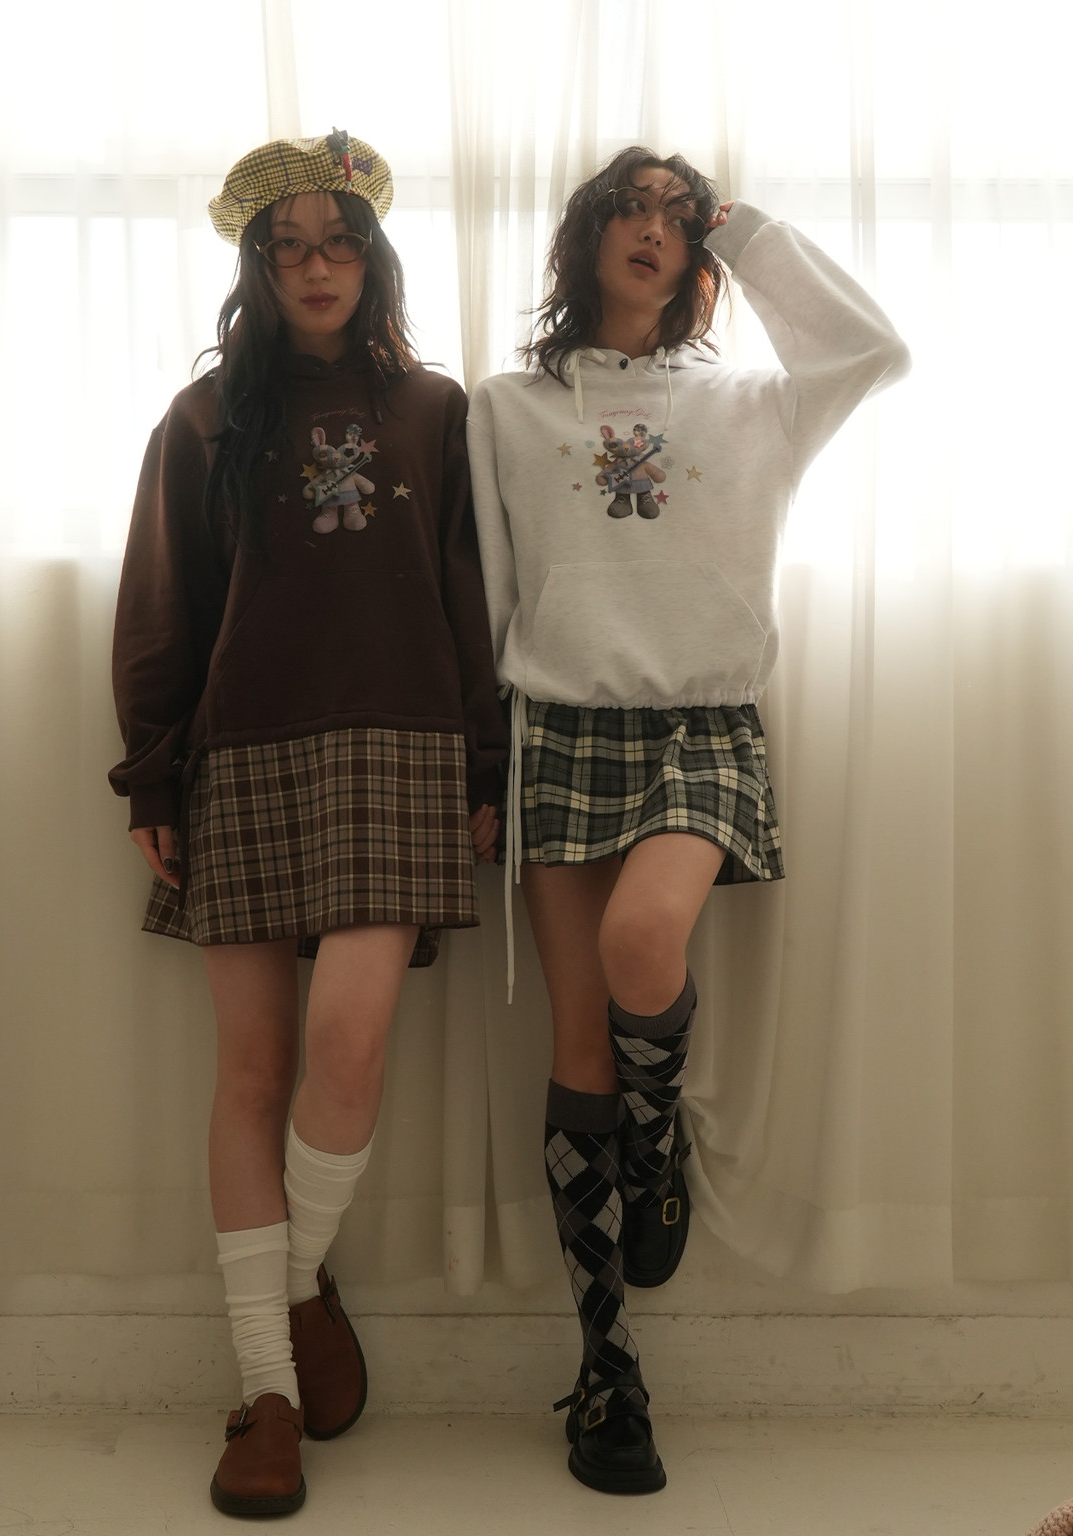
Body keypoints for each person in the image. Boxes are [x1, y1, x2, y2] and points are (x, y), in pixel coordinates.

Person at [467, 147, 910, 1495]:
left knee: (642, 942)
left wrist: (748, 230)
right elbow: (490, 596)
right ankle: (607, 1367)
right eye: (632, 206)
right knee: (577, 1043)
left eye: (678, 213)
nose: (653, 228)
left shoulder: (755, 404)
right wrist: (484, 763)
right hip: (557, 727)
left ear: (700, 248)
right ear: (588, 233)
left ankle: (658, 1140)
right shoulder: (508, 405)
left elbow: (875, 350)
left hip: (700, 726)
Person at [109, 131, 506, 1518]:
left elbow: (471, 593)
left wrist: (486, 759)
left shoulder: (436, 409)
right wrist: (153, 777)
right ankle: (267, 1388)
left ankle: (289, 1280)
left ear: (371, 259)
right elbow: (161, 605)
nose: (317, 267)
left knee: (347, 1045)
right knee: (253, 1071)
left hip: (403, 745)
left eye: (339, 244)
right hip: (243, 752)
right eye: (290, 248)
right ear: (259, 268)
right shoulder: (204, 418)